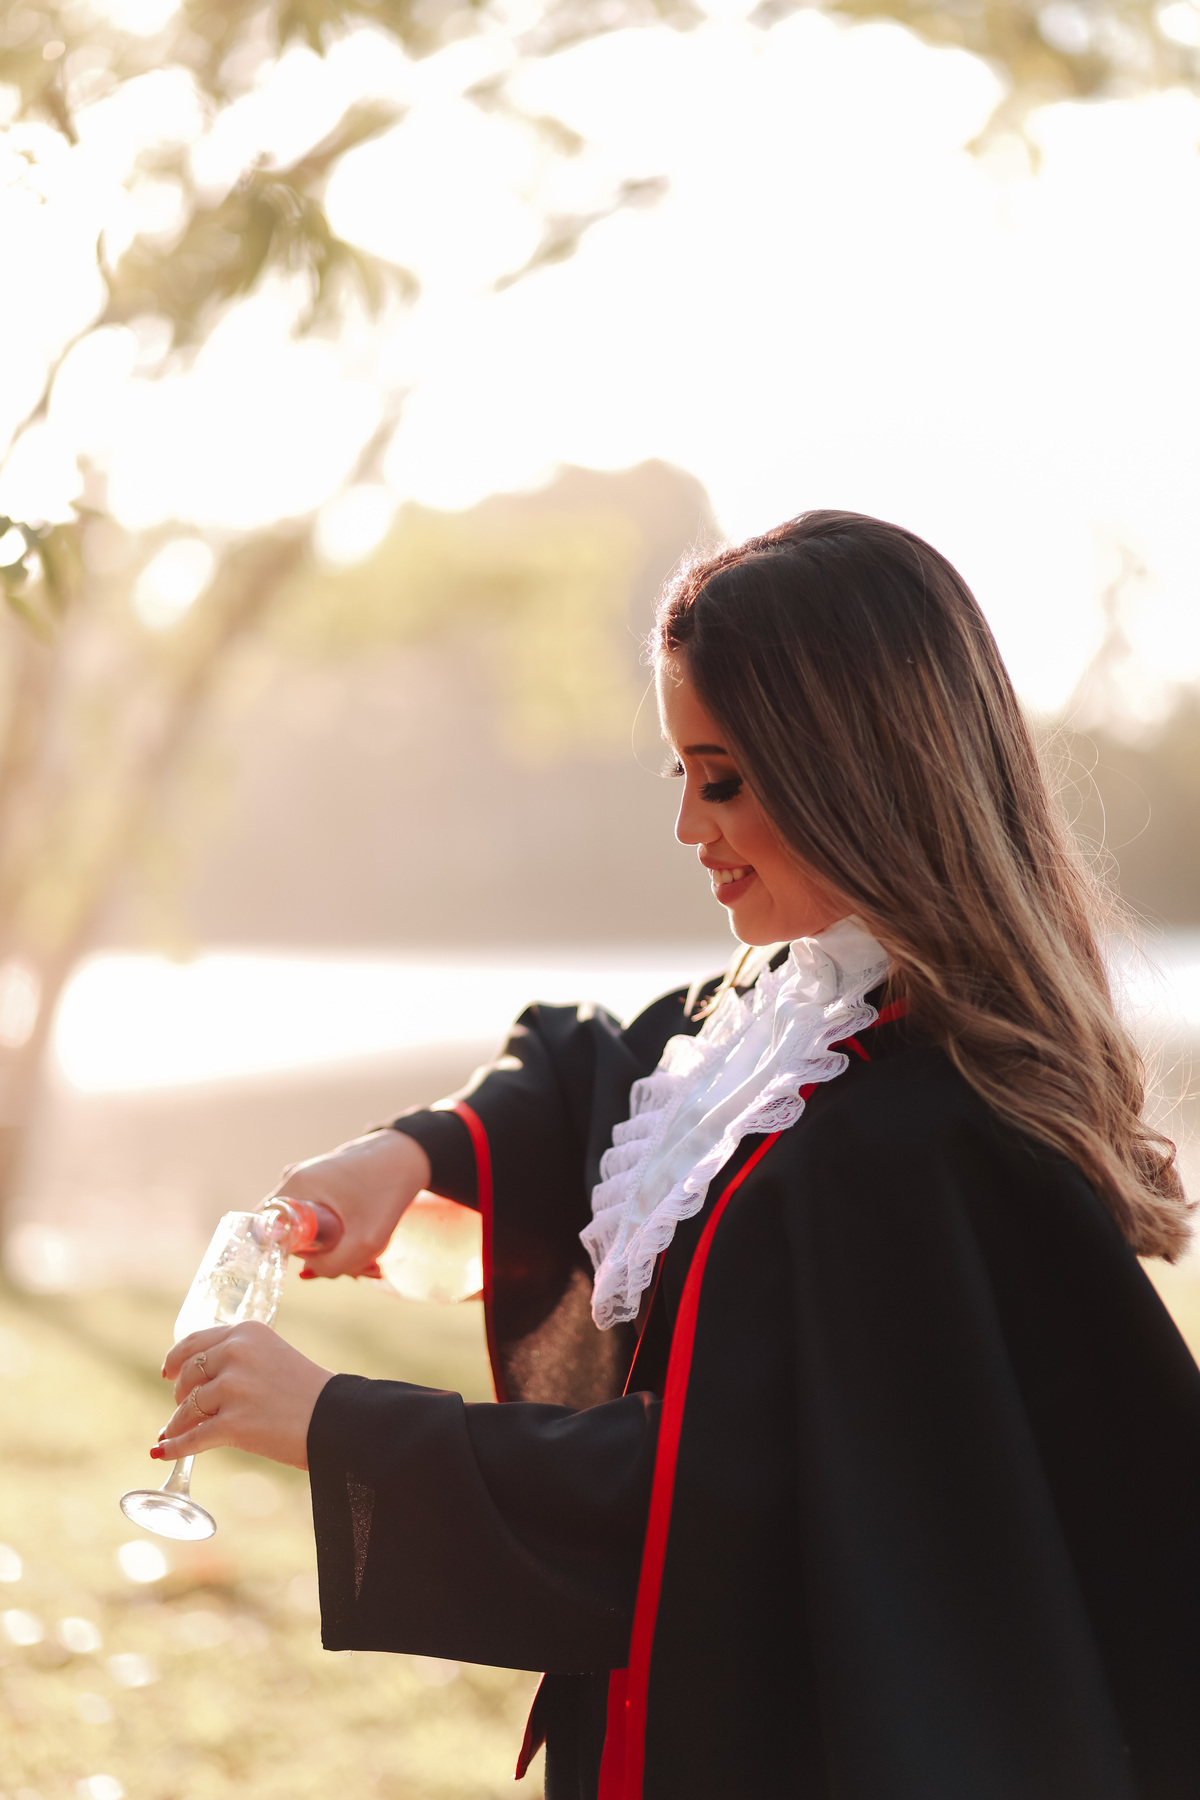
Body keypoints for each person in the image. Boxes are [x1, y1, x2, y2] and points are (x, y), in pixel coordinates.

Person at [155, 511, 1200, 1800]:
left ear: (854, 772)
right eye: (681, 774)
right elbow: (595, 1075)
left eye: (725, 779)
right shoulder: (790, 1016)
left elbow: (726, 1504)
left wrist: (336, 1424)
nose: (689, 826)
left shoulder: (926, 1142)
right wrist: (414, 1154)